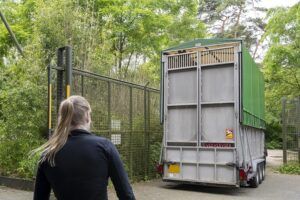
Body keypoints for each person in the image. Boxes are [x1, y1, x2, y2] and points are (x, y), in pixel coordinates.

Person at [33, 95, 135, 200]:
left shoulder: (48, 154)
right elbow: (126, 194)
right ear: (87, 116)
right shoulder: (105, 147)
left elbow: (39, 197)